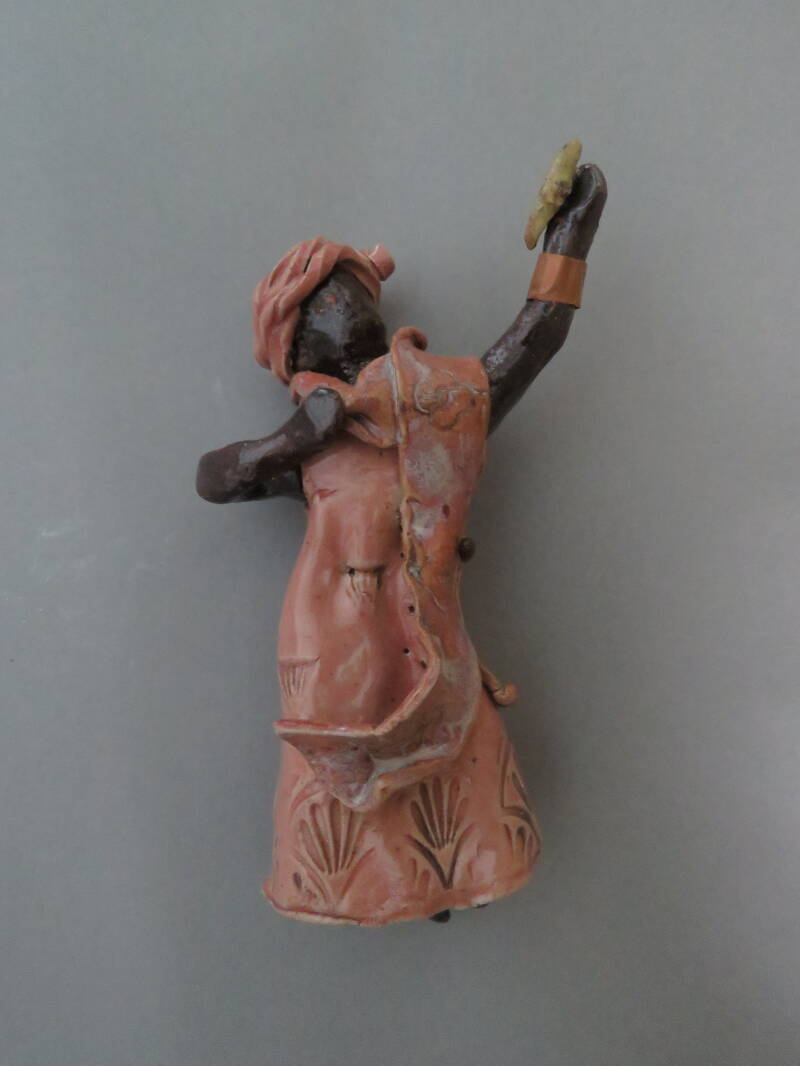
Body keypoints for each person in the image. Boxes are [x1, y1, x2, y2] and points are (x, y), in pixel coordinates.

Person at [196, 164, 607, 925]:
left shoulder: (440, 406)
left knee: (452, 749)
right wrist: (293, 440)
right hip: (334, 647)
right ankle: (375, 887)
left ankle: (444, 879)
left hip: (430, 634)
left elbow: (536, 340)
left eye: (352, 290)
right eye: (326, 298)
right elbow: (214, 479)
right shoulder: (307, 444)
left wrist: (571, 238)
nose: (349, 306)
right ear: (294, 339)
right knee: (347, 766)